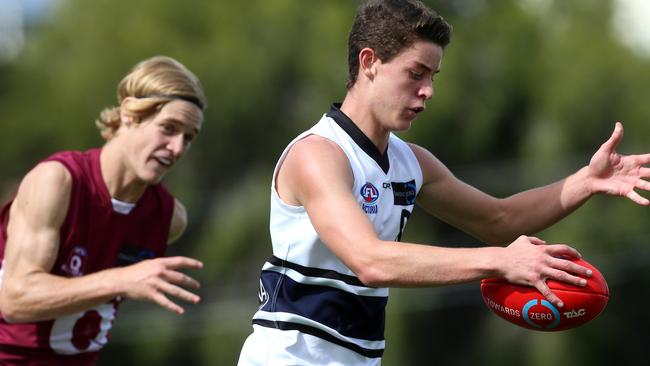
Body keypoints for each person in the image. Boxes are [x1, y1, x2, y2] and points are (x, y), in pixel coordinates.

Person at [237, 1, 650, 365]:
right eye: (416, 73)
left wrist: (587, 181)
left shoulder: (410, 162)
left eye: (433, 76)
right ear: (369, 62)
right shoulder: (318, 155)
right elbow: (370, 260)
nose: (428, 90)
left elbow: (500, 219)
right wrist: (500, 260)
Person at [0, 55, 207, 365]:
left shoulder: (169, 218)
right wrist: (122, 279)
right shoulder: (58, 181)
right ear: (128, 115)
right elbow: (15, 299)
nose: (177, 148)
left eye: (188, 137)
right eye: (168, 128)